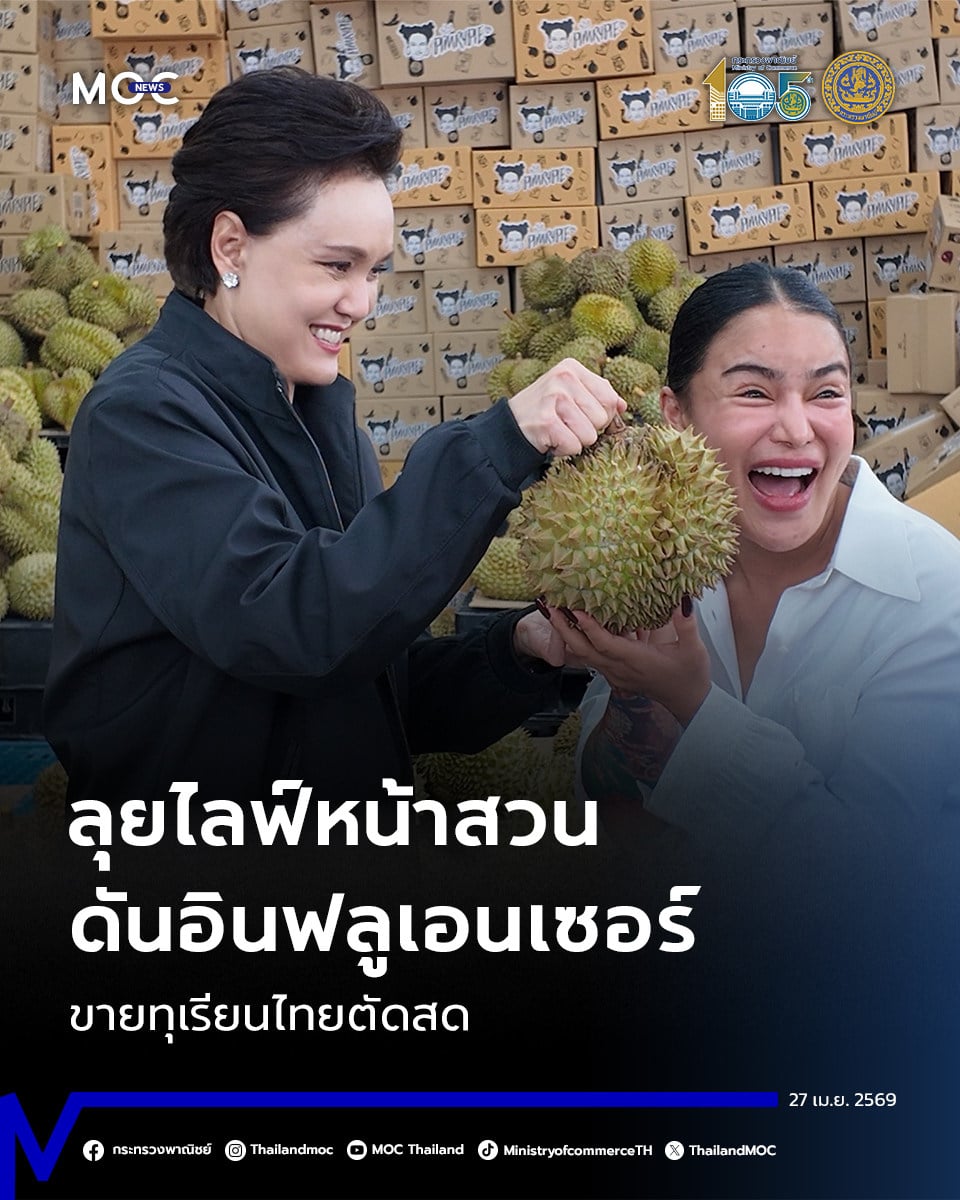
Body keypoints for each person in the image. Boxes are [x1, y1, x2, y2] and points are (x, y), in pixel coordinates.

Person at [42, 68, 624, 810]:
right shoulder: (142, 414)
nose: (363, 302)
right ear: (231, 247)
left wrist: (519, 651)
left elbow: (366, 680)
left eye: (375, 270)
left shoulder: (317, 412)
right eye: (335, 265)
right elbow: (293, 630)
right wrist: (496, 445)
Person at [539, 262, 960, 880]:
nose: (795, 429)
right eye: (754, 392)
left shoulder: (935, 593)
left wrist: (688, 699)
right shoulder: (658, 557)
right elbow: (606, 800)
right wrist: (632, 691)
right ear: (675, 415)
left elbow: (874, 874)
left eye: (826, 393)